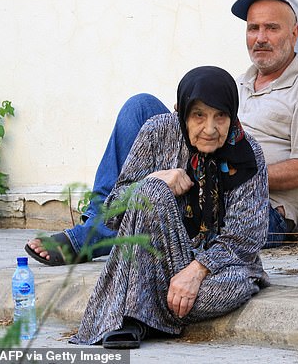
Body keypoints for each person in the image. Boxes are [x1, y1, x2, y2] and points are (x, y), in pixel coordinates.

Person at [24, 0, 298, 264]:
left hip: (257, 211)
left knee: (160, 194)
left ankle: (91, 237)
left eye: (272, 28)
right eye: (253, 28)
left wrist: (227, 175)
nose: (260, 38)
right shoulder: (235, 84)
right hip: (198, 182)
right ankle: (98, 219)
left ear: (294, 34)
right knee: (141, 106)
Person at [69, 65, 269, 349]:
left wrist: (197, 270)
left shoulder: (249, 154)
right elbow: (113, 212)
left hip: (215, 268)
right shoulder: (156, 132)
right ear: (183, 112)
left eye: (220, 116)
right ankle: (141, 314)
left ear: (232, 115)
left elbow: (245, 238)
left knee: (233, 285)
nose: (209, 129)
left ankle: (140, 309)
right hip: (155, 259)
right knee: (149, 189)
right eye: (199, 115)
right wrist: (155, 179)